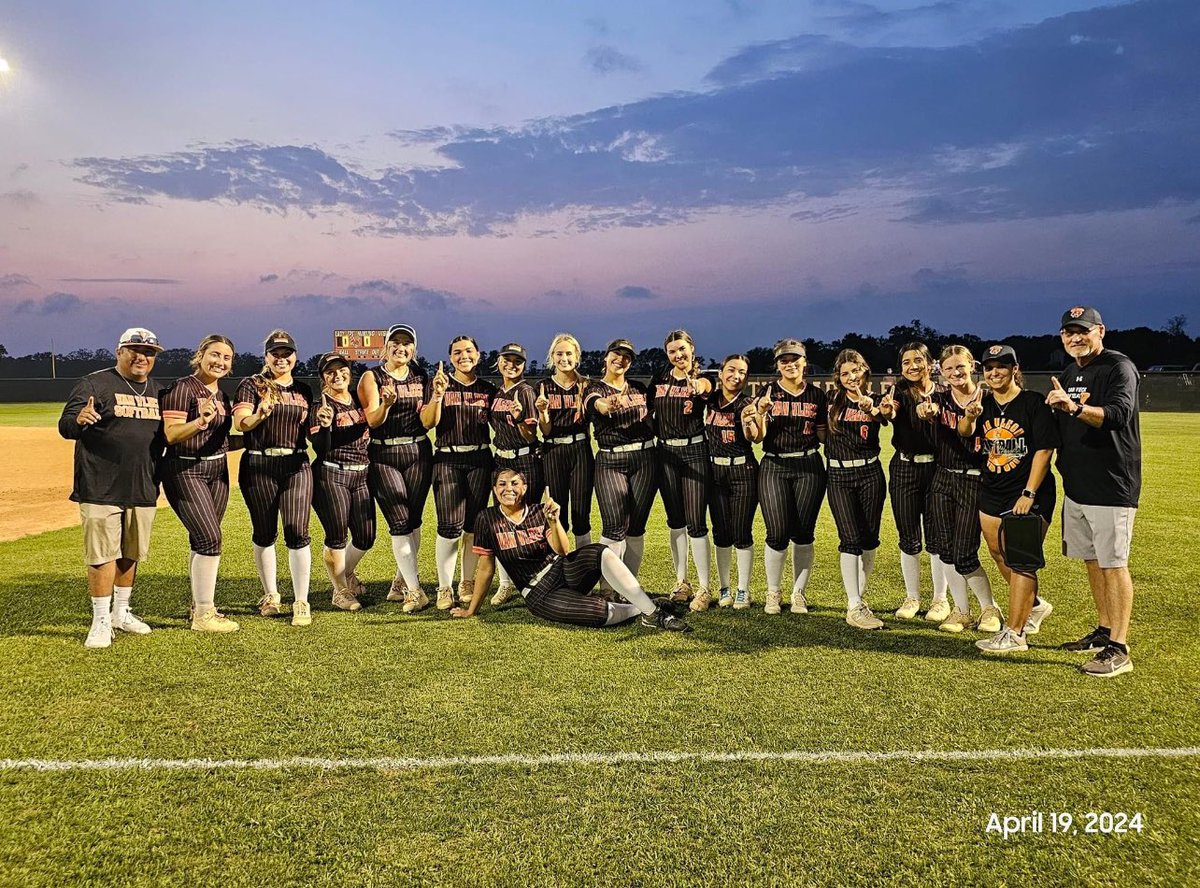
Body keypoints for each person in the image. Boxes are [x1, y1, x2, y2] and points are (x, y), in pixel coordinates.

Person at [452, 469, 691, 632]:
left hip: (561, 569)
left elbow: (563, 551)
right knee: (600, 613)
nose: (508, 489)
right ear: (494, 490)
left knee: (600, 551)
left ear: (524, 488)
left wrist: (554, 521)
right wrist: (472, 610)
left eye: (515, 483)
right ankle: (644, 606)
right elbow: (485, 568)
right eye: (502, 484)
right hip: (537, 592)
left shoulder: (537, 511)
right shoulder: (487, 518)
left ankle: (652, 614)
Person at [1046, 306, 1141, 677]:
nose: (1075, 338)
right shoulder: (1070, 371)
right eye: (1069, 332)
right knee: (1092, 560)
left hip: (1111, 484)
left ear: (1100, 331)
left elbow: (1118, 414)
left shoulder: (1119, 367)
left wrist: (1073, 407)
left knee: (1113, 563)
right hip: (1078, 486)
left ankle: (1119, 647)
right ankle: (1104, 629)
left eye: (1082, 331)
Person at [58, 327, 165, 649]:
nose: (141, 357)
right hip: (100, 484)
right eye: (133, 350)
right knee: (103, 554)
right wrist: (79, 419)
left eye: (148, 352)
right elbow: (65, 426)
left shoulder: (159, 391)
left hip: (143, 484)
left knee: (130, 552)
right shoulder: (96, 383)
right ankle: (101, 620)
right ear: (119, 351)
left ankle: (122, 611)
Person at [960, 344, 1057, 654]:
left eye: (1002, 366)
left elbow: (1044, 450)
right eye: (989, 367)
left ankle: (1015, 633)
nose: (994, 372)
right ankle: (1035, 605)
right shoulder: (984, 403)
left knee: (1021, 560)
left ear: (1016, 369)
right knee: (998, 553)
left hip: (1028, 493)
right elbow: (965, 432)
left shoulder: (1033, 403)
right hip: (992, 489)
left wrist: (1029, 493)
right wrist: (969, 417)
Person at [233, 331, 315, 626]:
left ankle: (301, 600)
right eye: (275, 354)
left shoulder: (304, 390)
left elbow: (310, 429)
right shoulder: (251, 385)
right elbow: (240, 422)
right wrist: (260, 415)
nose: (281, 359)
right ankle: (271, 594)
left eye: (286, 353)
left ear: (295, 356)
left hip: (295, 463)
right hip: (259, 463)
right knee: (264, 531)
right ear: (266, 356)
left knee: (297, 530)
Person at [159, 334, 240, 634]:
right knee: (210, 538)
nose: (220, 361)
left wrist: (260, 430)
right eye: (215, 355)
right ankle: (204, 615)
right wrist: (200, 421)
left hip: (217, 471)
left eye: (226, 358)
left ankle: (199, 606)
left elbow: (220, 439)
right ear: (201, 355)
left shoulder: (221, 395)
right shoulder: (183, 388)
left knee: (202, 539)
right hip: (185, 469)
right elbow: (171, 434)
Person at [921, 345, 1003, 635]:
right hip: (943, 477)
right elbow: (926, 408)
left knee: (965, 552)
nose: (955, 373)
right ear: (941, 372)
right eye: (949, 368)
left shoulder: (990, 399)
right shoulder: (939, 398)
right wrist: (925, 410)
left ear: (972, 366)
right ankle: (961, 611)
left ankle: (989, 608)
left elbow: (969, 431)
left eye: (961, 367)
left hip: (974, 479)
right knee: (945, 550)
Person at [358, 323, 433, 613]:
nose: (401, 347)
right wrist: (387, 405)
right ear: (386, 346)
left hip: (417, 450)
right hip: (384, 452)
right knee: (399, 521)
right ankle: (415, 591)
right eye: (396, 342)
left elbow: (428, 418)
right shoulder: (372, 376)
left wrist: (436, 396)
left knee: (414, 520)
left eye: (407, 343)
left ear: (414, 348)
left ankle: (402, 581)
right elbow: (373, 420)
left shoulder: (420, 375)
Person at [421, 335, 496, 609]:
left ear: (478, 354)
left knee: (473, 526)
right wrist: (438, 395)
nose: (463, 356)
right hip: (447, 459)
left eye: (468, 351)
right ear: (450, 357)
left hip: (479, 458)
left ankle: (466, 581)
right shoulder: (439, 383)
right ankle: (444, 586)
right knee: (448, 527)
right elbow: (428, 422)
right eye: (457, 352)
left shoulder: (488, 389)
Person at [754, 339, 827, 614]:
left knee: (804, 533)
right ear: (777, 365)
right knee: (776, 532)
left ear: (804, 361)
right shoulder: (768, 391)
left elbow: (823, 435)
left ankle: (799, 592)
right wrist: (760, 413)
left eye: (795, 359)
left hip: (808, 466)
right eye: (784, 360)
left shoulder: (817, 395)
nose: (790, 364)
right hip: (774, 465)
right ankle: (773, 592)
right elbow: (759, 436)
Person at [825, 349, 895, 629]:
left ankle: (859, 599)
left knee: (869, 539)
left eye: (855, 371)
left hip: (870, 472)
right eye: (844, 373)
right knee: (849, 539)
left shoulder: (876, 400)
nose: (850, 377)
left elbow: (886, 414)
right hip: (839, 474)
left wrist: (873, 409)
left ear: (864, 371)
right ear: (838, 379)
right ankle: (853, 604)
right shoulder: (829, 400)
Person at [886, 342, 952, 622]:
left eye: (917, 360)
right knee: (908, 537)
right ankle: (912, 597)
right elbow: (890, 410)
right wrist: (886, 410)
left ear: (930, 362)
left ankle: (940, 599)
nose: (912, 366)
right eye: (906, 362)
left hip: (937, 469)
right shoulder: (898, 392)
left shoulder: (945, 394)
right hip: (904, 468)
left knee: (937, 537)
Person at [584, 339, 658, 581]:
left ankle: (630, 588)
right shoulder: (594, 387)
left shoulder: (638, 388)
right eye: (616, 354)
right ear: (605, 358)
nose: (621, 359)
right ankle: (608, 586)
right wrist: (607, 405)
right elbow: (597, 404)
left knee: (636, 529)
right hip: (610, 460)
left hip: (644, 458)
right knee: (614, 528)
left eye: (627, 356)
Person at [651, 330, 715, 608]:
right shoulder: (660, 378)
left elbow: (705, 388)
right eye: (672, 352)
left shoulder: (703, 378)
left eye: (682, 350)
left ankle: (704, 587)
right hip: (665, 452)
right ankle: (681, 581)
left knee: (696, 521)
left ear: (692, 349)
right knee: (675, 520)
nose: (678, 355)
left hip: (694, 451)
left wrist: (698, 386)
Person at [309, 352, 375, 613]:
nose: (337, 375)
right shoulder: (321, 406)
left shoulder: (359, 402)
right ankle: (340, 590)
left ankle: (345, 574)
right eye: (330, 372)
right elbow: (320, 448)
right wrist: (325, 426)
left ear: (349, 371)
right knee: (337, 536)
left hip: (361, 474)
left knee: (366, 536)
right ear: (323, 377)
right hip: (332, 474)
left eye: (342, 370)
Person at [704, 354, 763, 609]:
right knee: (721, 533)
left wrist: (751, 421)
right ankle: (724, 587)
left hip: (743, 471)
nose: (735, 376)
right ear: (721, 372)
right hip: (715, 471)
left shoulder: (747, 403)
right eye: (731, 370)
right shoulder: (710, 399)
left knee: (741, 532)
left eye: (741, 372)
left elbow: (756, 438)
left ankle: (743, 589)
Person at [487, 342, 543, 606]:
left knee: (529, 523)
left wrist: (520, 419)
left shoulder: (526, 392)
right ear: (498, 362)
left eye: (517, 361)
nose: (512, 365)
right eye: (507, 360)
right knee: (502, 524)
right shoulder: (498, 392)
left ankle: (535, 579)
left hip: (525, 460)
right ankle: (506, 583)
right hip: (500, 460)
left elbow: (531, 435)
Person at [536, 333, 594, 550]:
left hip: (580, 450)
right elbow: (545, 430)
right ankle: (558, 567)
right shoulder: (543, 386)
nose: (564, 358)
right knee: (556, 513)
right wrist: (543, 412)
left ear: (577, 356)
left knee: (581, 514)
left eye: (569, 353)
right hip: (553, 451)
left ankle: (583, 568)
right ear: (552, 356)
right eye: (559, 353)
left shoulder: (586, 385)